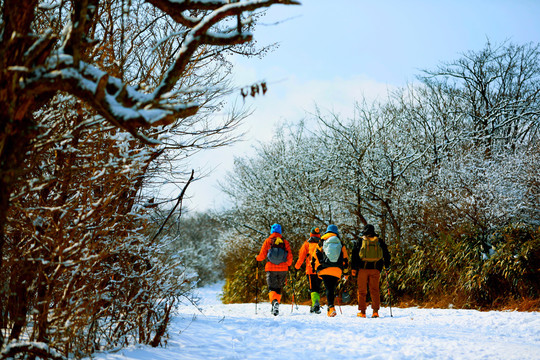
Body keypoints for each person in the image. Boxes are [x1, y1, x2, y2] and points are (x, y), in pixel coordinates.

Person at [350, 224, 391, 318]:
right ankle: (375, 311)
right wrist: (387, 266)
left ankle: (362, 312)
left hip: (362, 269)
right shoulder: (379, 241)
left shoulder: (360, 241)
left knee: (362, 291)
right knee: (375, 290)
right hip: (375, 269)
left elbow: (354, 255)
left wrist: (353, 268)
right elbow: (386, 254)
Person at [256, 223, 293, 316]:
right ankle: (276, 306)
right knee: (278, 288)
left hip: (271, 268)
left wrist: (257, 258)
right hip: (283, 268)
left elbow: (262, 255)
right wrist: (287, 264)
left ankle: (274, 302)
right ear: (280, 232)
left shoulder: (268, 241)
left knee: (272, 287)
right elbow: (290, 257)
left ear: (271, 231)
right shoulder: (285, 242)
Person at [312, 224, 349, 317]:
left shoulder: (322, 240)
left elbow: (315, 255)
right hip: (337, 269)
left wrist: (316, 267)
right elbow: (345, 258)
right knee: (331, 288)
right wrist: (345, 272)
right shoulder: (340, 242)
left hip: (325, 268)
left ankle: (331, 307)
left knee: (328, 288)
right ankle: (330, 307)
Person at [294, 226, 323, 314]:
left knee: (313, 288)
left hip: (310, 270)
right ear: (319, 235)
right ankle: (314, 305)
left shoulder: (307, 244)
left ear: (310, 234)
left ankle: (316, 304)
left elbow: (301, 257)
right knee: (317, 288)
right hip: (321, 270)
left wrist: (296, 267)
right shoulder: (322, 243)